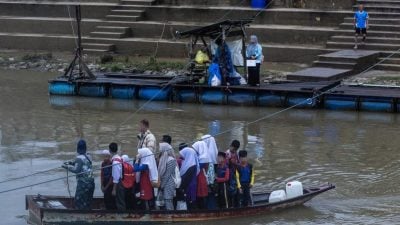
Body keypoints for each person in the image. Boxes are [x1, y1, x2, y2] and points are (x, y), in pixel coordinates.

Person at [62, 140, 95, 210]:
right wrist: (71, 163)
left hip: (83, 184)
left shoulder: (79, 158)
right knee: (88, 200)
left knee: (78, 200)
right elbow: (82, 164)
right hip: (91, 183)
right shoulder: (89, 156)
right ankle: (88, 214)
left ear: (77, 148)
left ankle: (80, 215)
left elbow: (76, 170)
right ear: (85, 148)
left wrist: (66, 167)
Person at [178, 143, 200, 209]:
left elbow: (185, 179)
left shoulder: (190, 166)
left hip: (189, 187)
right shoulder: (192, 163)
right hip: (192, 186)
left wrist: (181, 187)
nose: (182, 156)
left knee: (190, 203)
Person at [158, 142, 177, 210]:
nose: (160, 151)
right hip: (163, 183)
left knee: (168, 200)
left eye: (161, 149)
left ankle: (170, 217)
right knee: (164, 202)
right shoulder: (163, 159)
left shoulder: (171, 160)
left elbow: (167, 175)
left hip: (169, 183)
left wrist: (162, 185)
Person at [192, 139, 209, 208]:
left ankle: (202, 209)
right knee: (201, 195)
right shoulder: (203, 156)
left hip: (200, 178)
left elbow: (197, 169)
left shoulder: (203, 158)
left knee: (201, 195)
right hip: (201, 177)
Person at [109, 142, 125, 210]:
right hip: (121, 181)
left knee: (119, 200)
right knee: (121, 198)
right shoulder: (119, 157)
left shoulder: (115, 161)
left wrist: (114, 189)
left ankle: (121, 216)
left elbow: (116, 176)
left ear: (110, 150)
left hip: (118, 183)